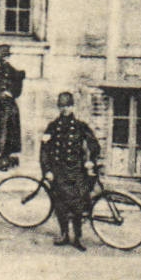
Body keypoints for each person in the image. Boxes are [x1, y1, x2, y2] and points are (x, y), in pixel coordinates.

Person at [40, 91, 101, 251]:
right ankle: (64, 234)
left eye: (68, 105)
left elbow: (94, 145)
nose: (65, 109)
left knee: (78, 205)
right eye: (62, 106)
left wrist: (90, 161)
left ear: (73, 106)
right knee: (60, 205)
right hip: (58, 171)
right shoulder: (52, 126)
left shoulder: (80, 126)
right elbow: (44, 150)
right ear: (58, 107)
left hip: (76, 170)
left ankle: (78, 238)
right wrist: (47, 170)